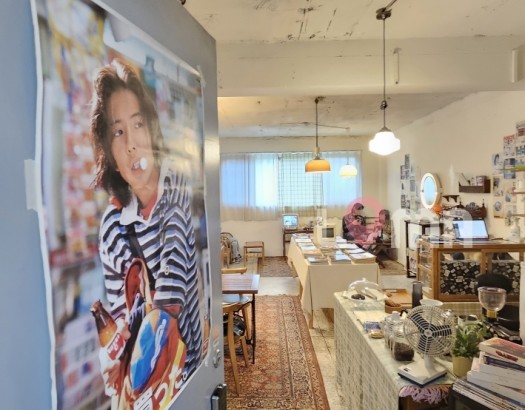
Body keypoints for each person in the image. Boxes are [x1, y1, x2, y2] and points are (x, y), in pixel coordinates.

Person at [89, 58, 205, 408]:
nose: (132, 144)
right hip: (150, 392)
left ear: (152, 130)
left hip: (190, 373)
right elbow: (123, 312)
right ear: (110, 154)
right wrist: (115, 357)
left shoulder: (179, 184)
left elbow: (173, 275)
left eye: (138, 125)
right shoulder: (111, 228)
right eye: (118, 132)